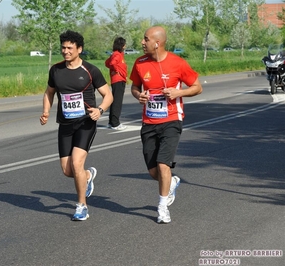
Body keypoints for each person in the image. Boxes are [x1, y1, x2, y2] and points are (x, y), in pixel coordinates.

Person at [130, 26, 203, 224]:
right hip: (149, 122)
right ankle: (172, 182)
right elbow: (134, 86)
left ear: (157, 43)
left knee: (163, 165)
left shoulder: (177, 63)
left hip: (172, 120)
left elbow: (197, 87)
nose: (142, 43)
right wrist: (139, 95)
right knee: (154, 171)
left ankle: (162, 208)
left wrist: (178, 93)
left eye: (145, 39)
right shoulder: (140, 63)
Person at [40, 30, 113, 221]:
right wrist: (46, 111)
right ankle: (87, 176)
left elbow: (109, 95)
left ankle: (82, 206)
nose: (65, 51)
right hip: (65, 123)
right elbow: (49, 92)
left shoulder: (90, 70)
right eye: (63, 48)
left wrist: (100, 110)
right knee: (67, 171)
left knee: (76, 162)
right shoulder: (56, 70)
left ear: (79, 49)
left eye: (70, 48)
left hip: (85, 123)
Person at [105, 37, 128, 130]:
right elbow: (111, 63)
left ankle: (111, 122)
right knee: (117, 102)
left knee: (114, 101)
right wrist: (116, 70)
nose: (125, 46)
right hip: (118, 80)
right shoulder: (117, 55)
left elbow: (107, 63)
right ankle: (115, 123)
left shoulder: (117, 54)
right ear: (122, 45)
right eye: (124, 44)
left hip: (117, 80)